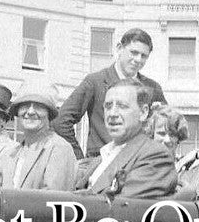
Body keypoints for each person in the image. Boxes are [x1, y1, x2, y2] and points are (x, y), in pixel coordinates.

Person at [54, 28, 167, 158]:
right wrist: (80, 159)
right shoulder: (95, 81)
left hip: (140, 166)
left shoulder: (152, 88)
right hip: (101, 164)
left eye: (144, 56)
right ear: (119, 48)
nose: (138, 60)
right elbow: (60, 121)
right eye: (134, 52)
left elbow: (169, 127)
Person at [75, 79, 177, 199]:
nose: (112, 114)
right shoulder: (102, 157)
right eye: (108, 106)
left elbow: (121, 207)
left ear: (143, 113)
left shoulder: (156, 157)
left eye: (122, 106)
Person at [3, 82, 77, 192]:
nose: (30, 112)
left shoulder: (59, 149)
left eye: (39, 106)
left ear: (49, 113)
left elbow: (52, 200)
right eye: (25, 106)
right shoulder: (13, 153)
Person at [147, 103, 196, 172]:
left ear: (179, 138)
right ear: (152, 136)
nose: (167, 140)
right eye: (161, 134)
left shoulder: (188, 168)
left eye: (172, 134)